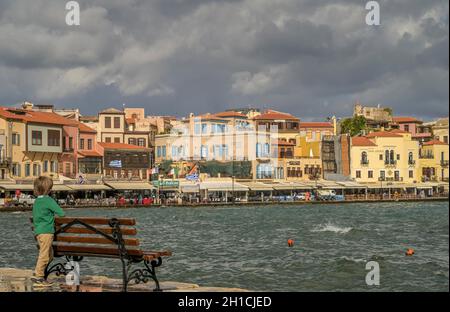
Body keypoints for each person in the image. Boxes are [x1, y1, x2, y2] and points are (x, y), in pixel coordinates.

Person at [31, 176, 65, 287]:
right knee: (45, 255)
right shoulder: (49, 200)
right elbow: (61, 213)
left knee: (50, 255)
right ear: (49, 190)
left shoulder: (37, 201)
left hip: (38, 232)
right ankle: (38, 277)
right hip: (46, 232)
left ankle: (38, 272)